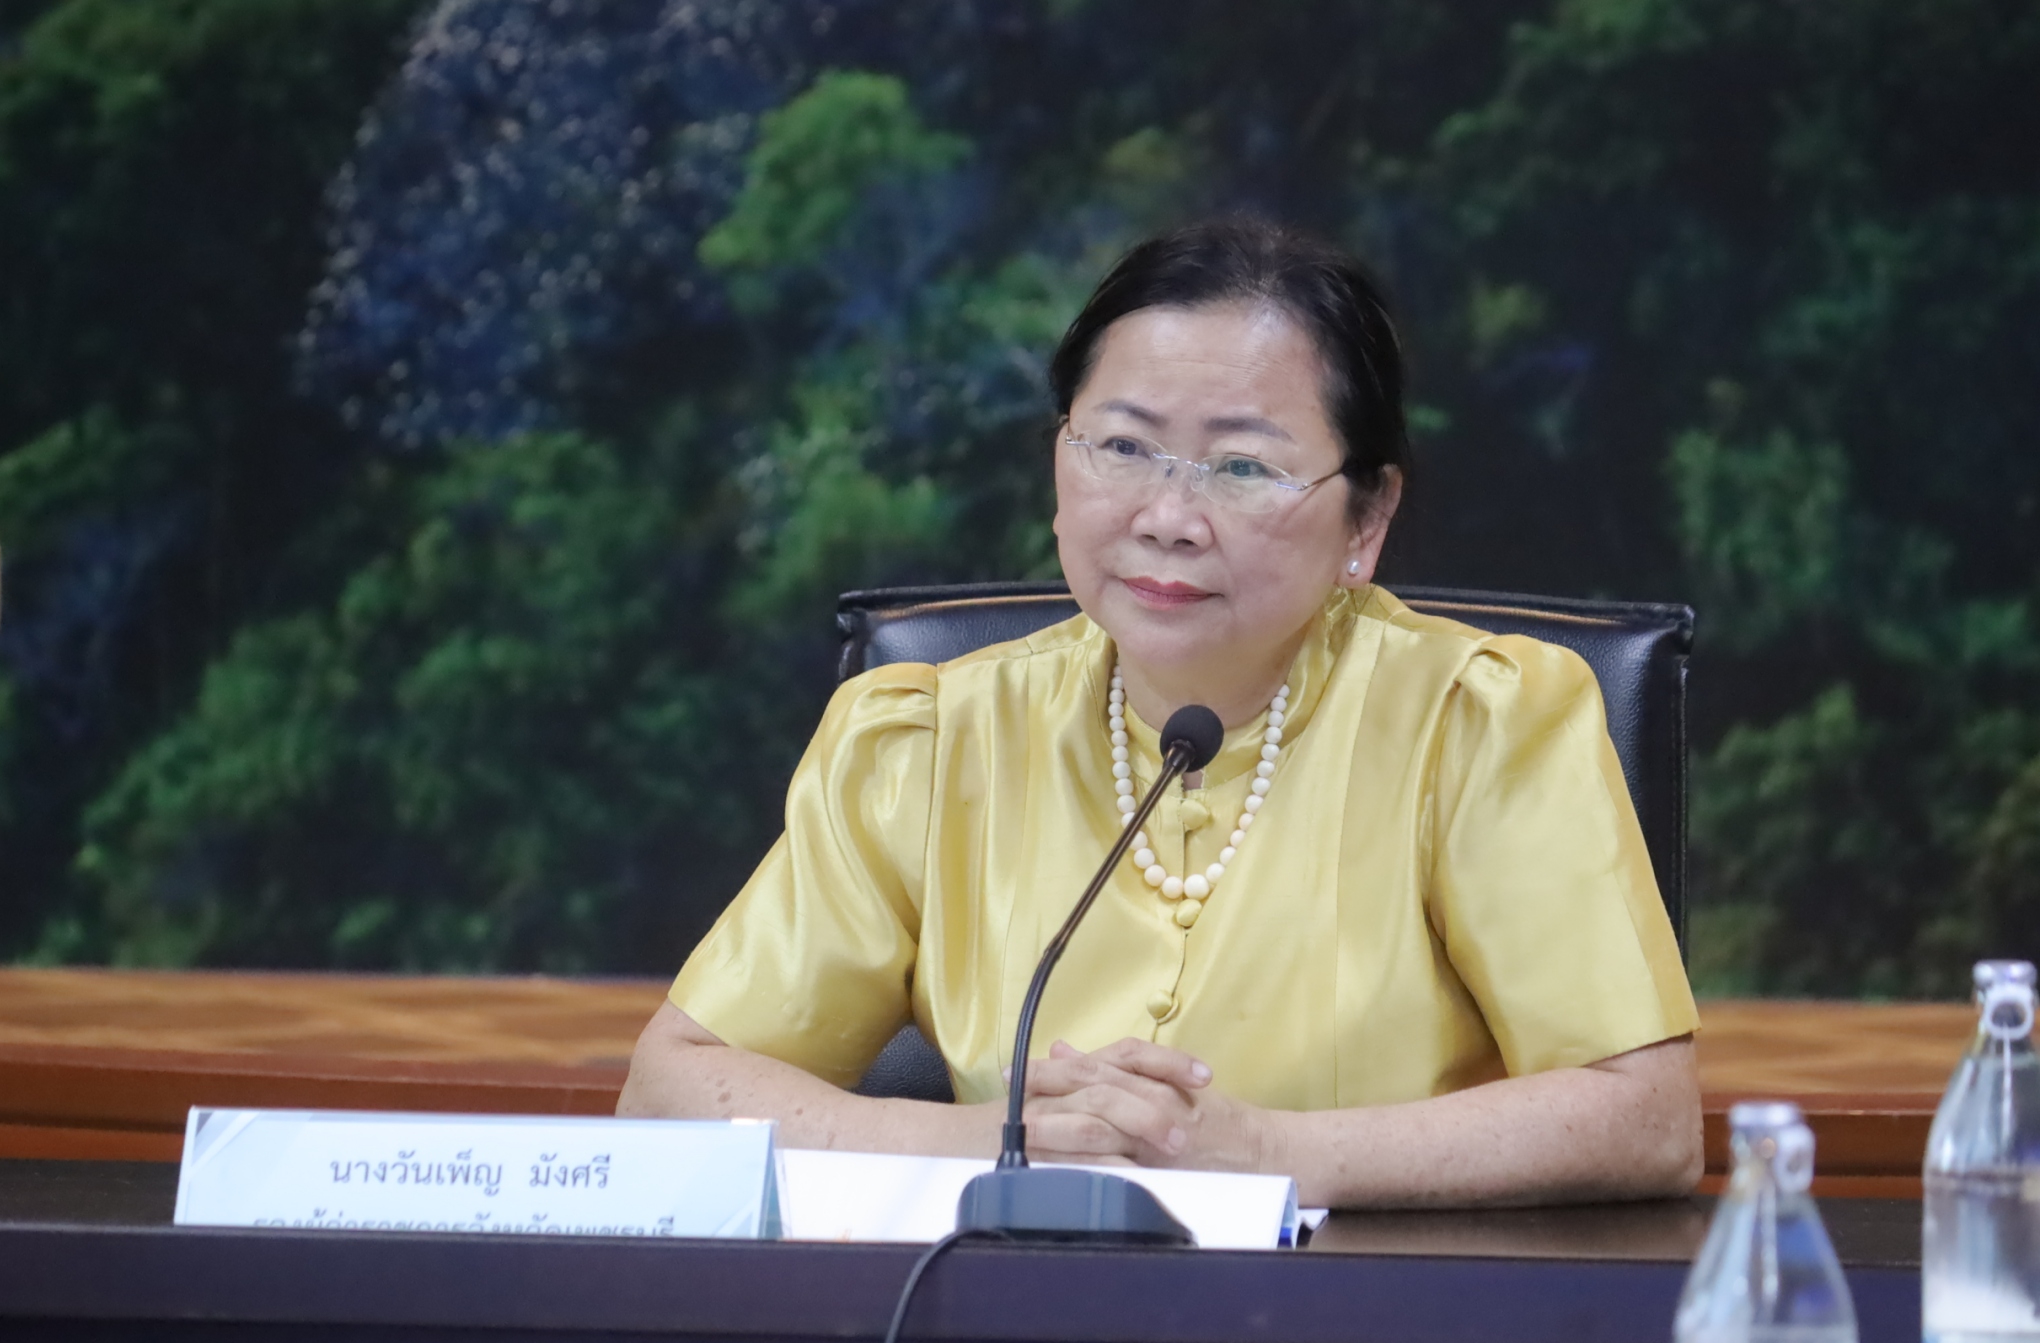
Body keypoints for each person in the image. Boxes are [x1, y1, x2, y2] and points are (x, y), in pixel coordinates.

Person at [619, 219, 1702, 1208]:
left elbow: (1645, 1120)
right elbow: (673, 1089)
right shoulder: (931, 739)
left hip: (1371, 1313)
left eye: (1243, 466)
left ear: (1365, 519)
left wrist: (1266, 1153)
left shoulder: (1479, 723)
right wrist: (995, 1145)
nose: (1169, 516)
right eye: (1124, 447)